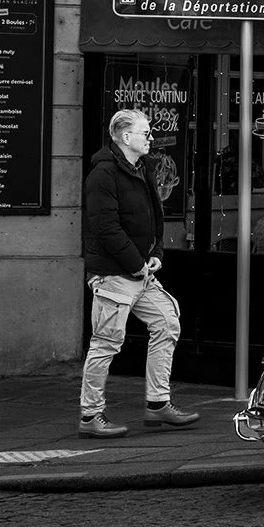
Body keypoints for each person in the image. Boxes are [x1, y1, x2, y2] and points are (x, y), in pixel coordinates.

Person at [78, 110, 200, 438]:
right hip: (113, 275)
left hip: (139, 271)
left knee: (167, 321)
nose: (150, 139)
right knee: (106, 343)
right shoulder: (103, 174)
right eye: (145, 133)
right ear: (125, 137)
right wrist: (136, 263)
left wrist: (156, 252)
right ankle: (90, 416)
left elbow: (154, 216)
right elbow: (105, 227)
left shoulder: (141, 169)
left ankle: (158, 406)